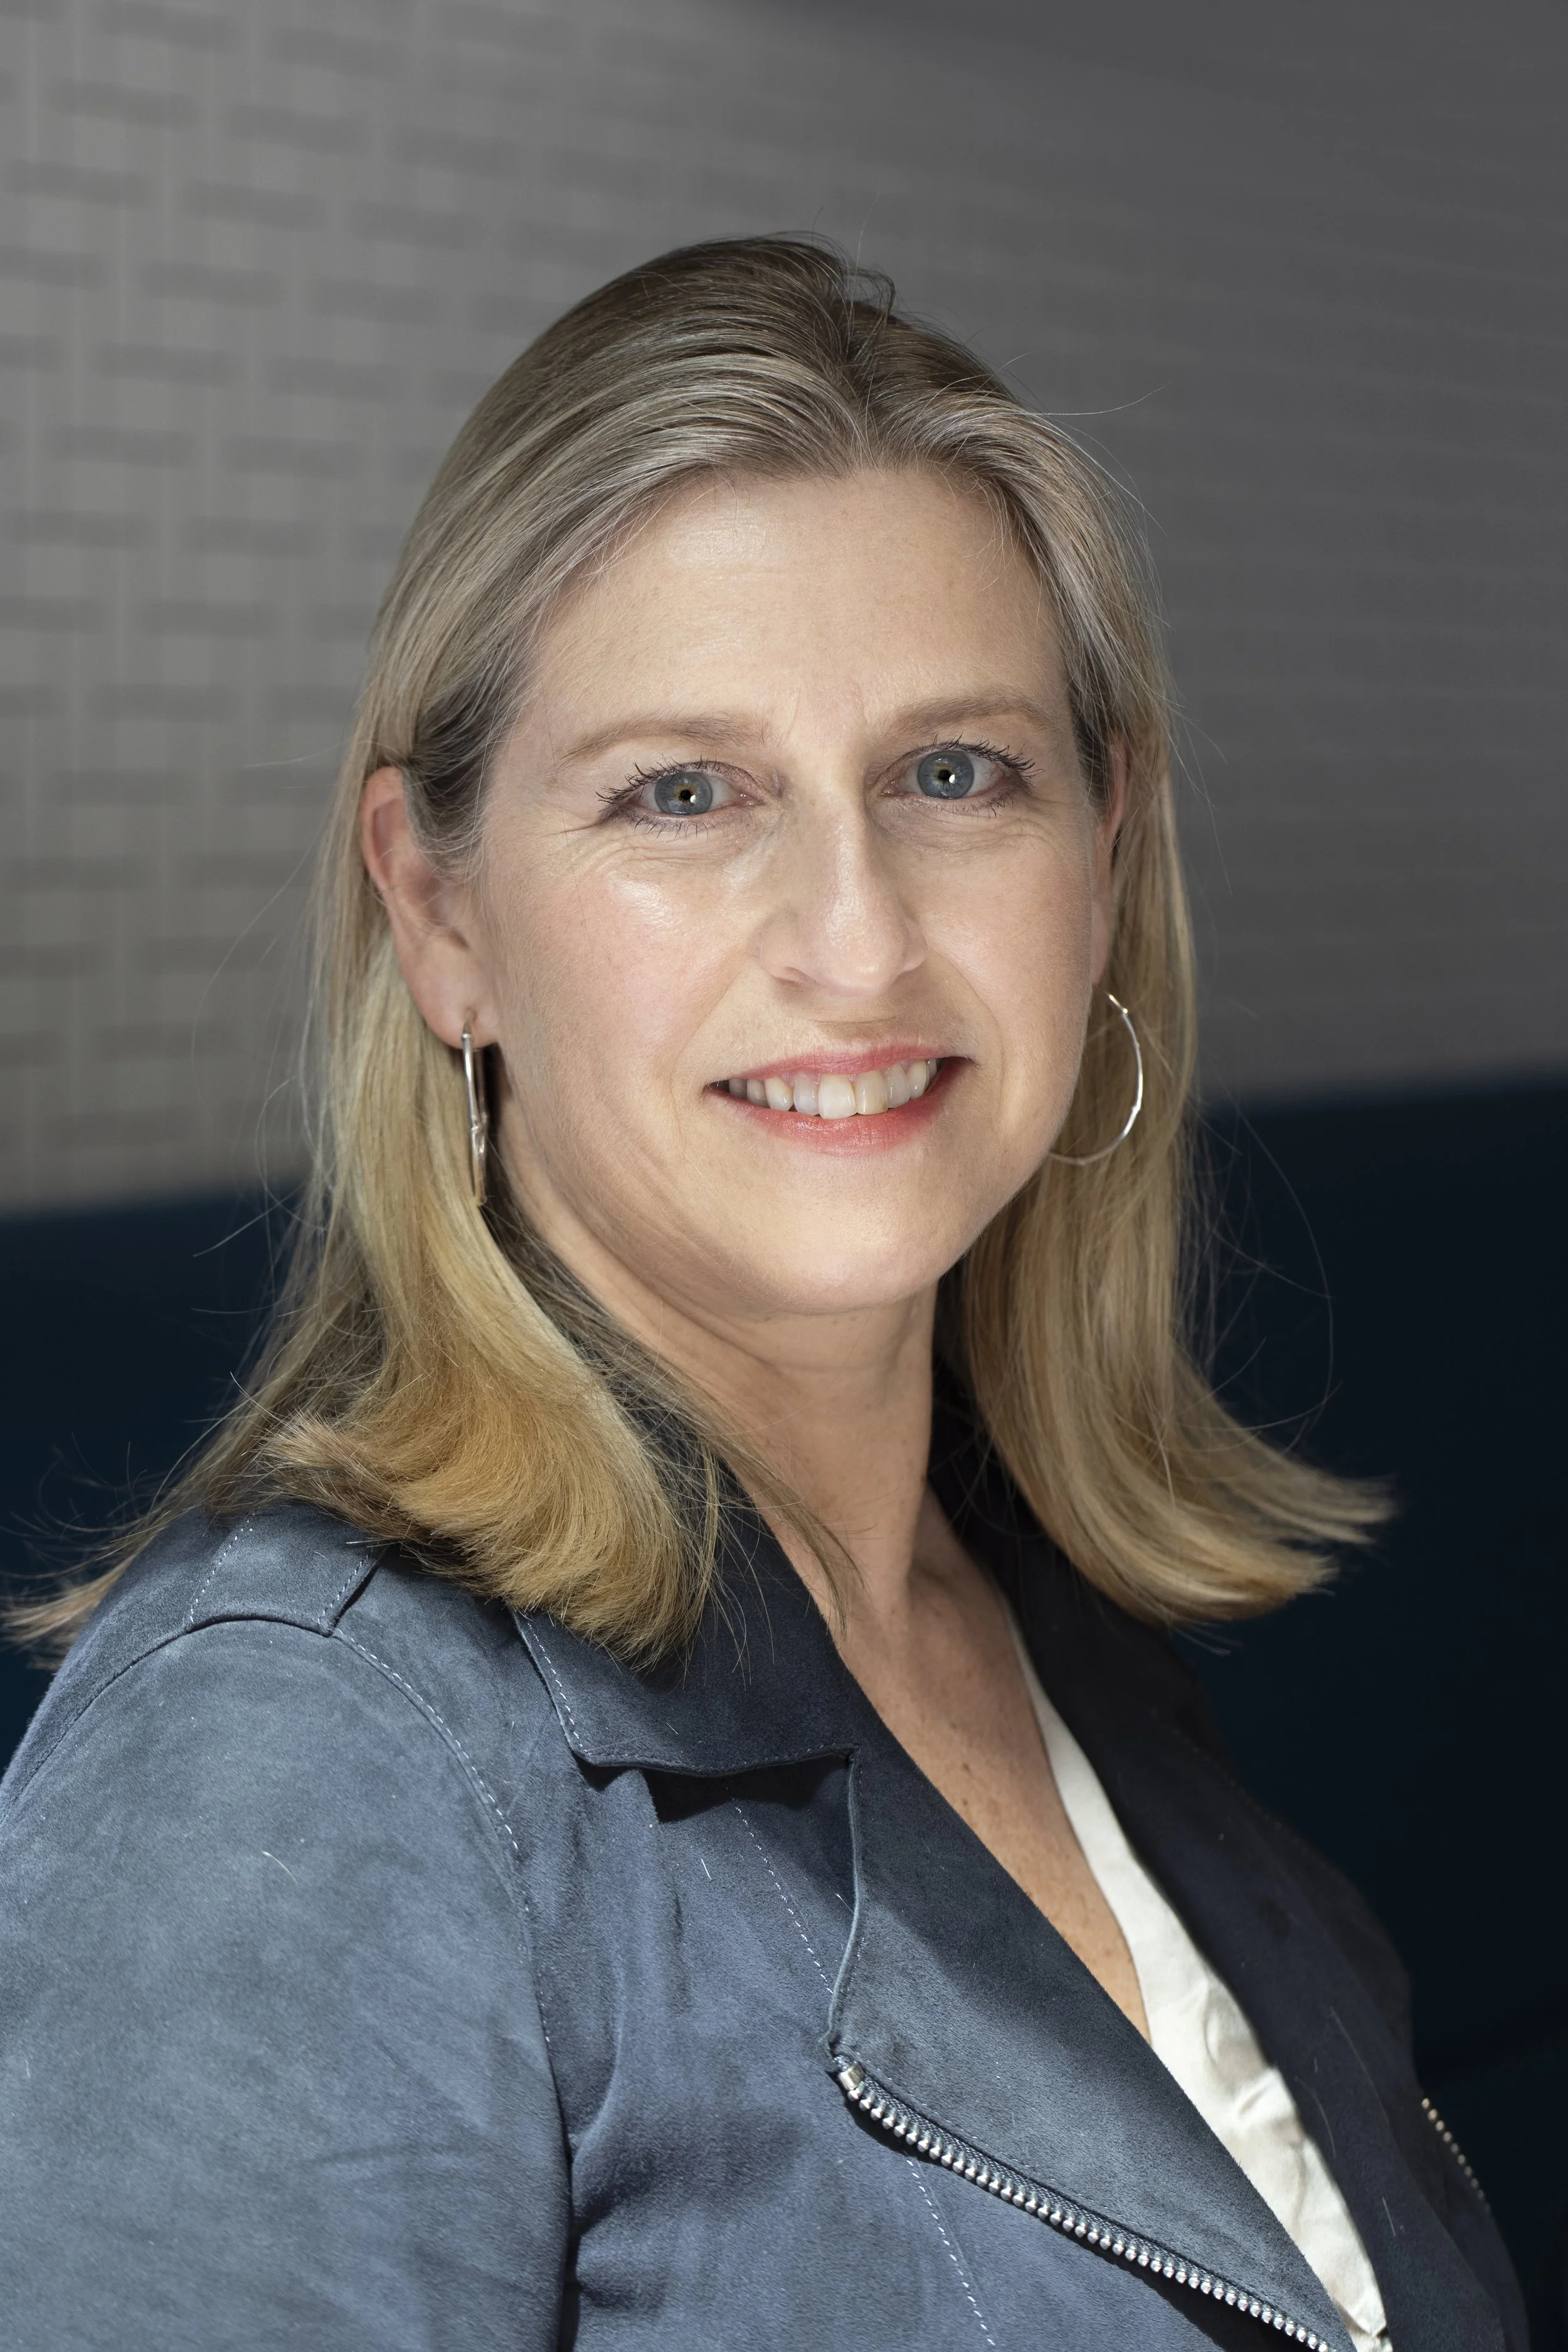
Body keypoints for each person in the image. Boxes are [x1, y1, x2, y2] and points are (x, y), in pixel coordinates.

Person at [0, 237, 1523, 2352]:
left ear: (1108, 842)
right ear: (438, 913)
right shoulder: (294, 1756)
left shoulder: (1033, 1627)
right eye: (682, 792)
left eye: (954, 772)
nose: (854, 934)